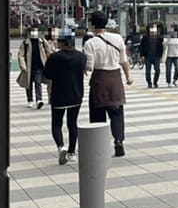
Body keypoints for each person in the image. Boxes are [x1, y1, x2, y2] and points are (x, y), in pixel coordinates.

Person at [84, 11, 134, 157]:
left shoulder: (90, 43)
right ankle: (118, 141)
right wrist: (128, 77)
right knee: (117, 113)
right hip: (115, 79)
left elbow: (89, 67)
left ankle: (100, 146)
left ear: (92, 24)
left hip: (99, 80)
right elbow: (124, 60)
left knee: (98, 115)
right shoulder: (117, 38)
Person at [42, 30, 85, 165]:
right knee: (72, 123)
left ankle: (61, 147)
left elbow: (48, 75)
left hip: (59, 94)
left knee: (56, 124)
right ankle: (72, 152)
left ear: (61, 43)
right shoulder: (81, 56)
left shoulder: (54, 57)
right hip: (76, 94)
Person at [18, 25, 54, 109]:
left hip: (39, 66)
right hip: (28, 66)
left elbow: (49, 51)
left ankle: (39, 99)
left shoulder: (42, 41)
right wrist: (23, 66)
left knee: (38, 82)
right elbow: (21, 55)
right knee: (28, 84)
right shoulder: (25, 43)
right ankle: (30, 100)